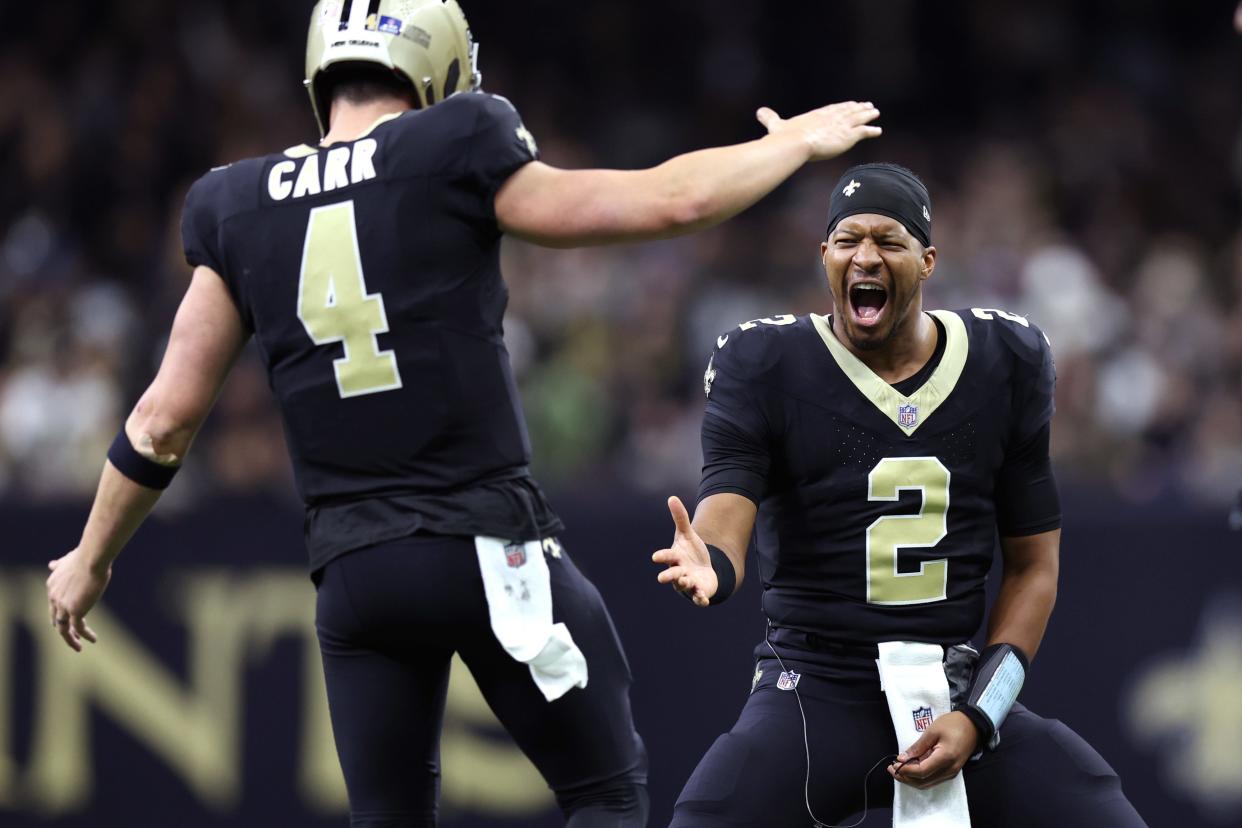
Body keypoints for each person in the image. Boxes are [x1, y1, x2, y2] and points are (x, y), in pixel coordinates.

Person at [43, 1, 882, 826]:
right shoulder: (457, 141)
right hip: (486, 549)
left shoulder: (233, 202)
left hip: (356, 579)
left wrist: (90, 558)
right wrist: (790, 145)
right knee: (604, 791)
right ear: (437, 62)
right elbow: (666, 202)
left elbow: (161, 422)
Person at [652, 162, 1148, 826]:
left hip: (951, 683)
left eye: (888, 241)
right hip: (813, 684)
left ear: (927, 260)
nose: (866, 255)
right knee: (707, 816)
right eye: (848, 239)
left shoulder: (1008, 360)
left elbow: (1034, 567)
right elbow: (725, 512)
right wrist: (709, 564)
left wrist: (980, 716)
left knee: (1099, 811)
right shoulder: (765, 362)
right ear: (824, 255)